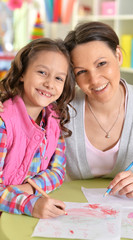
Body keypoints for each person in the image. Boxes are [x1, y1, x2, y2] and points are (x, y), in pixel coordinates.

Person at [63, 21, 133, 198]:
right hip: (73, 207)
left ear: (118, 55)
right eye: (81, 72)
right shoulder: (64, 108)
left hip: (129, 209)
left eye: (101, 64)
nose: (94, 80)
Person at [0, 38, 75, 218]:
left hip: (22, 216)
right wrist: (29, 204)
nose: (49, 84)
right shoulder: (4, 122)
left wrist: (28, 189)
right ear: (23, 73)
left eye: (58, 78)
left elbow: (57, 172)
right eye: (42, 72)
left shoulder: (54, 120)